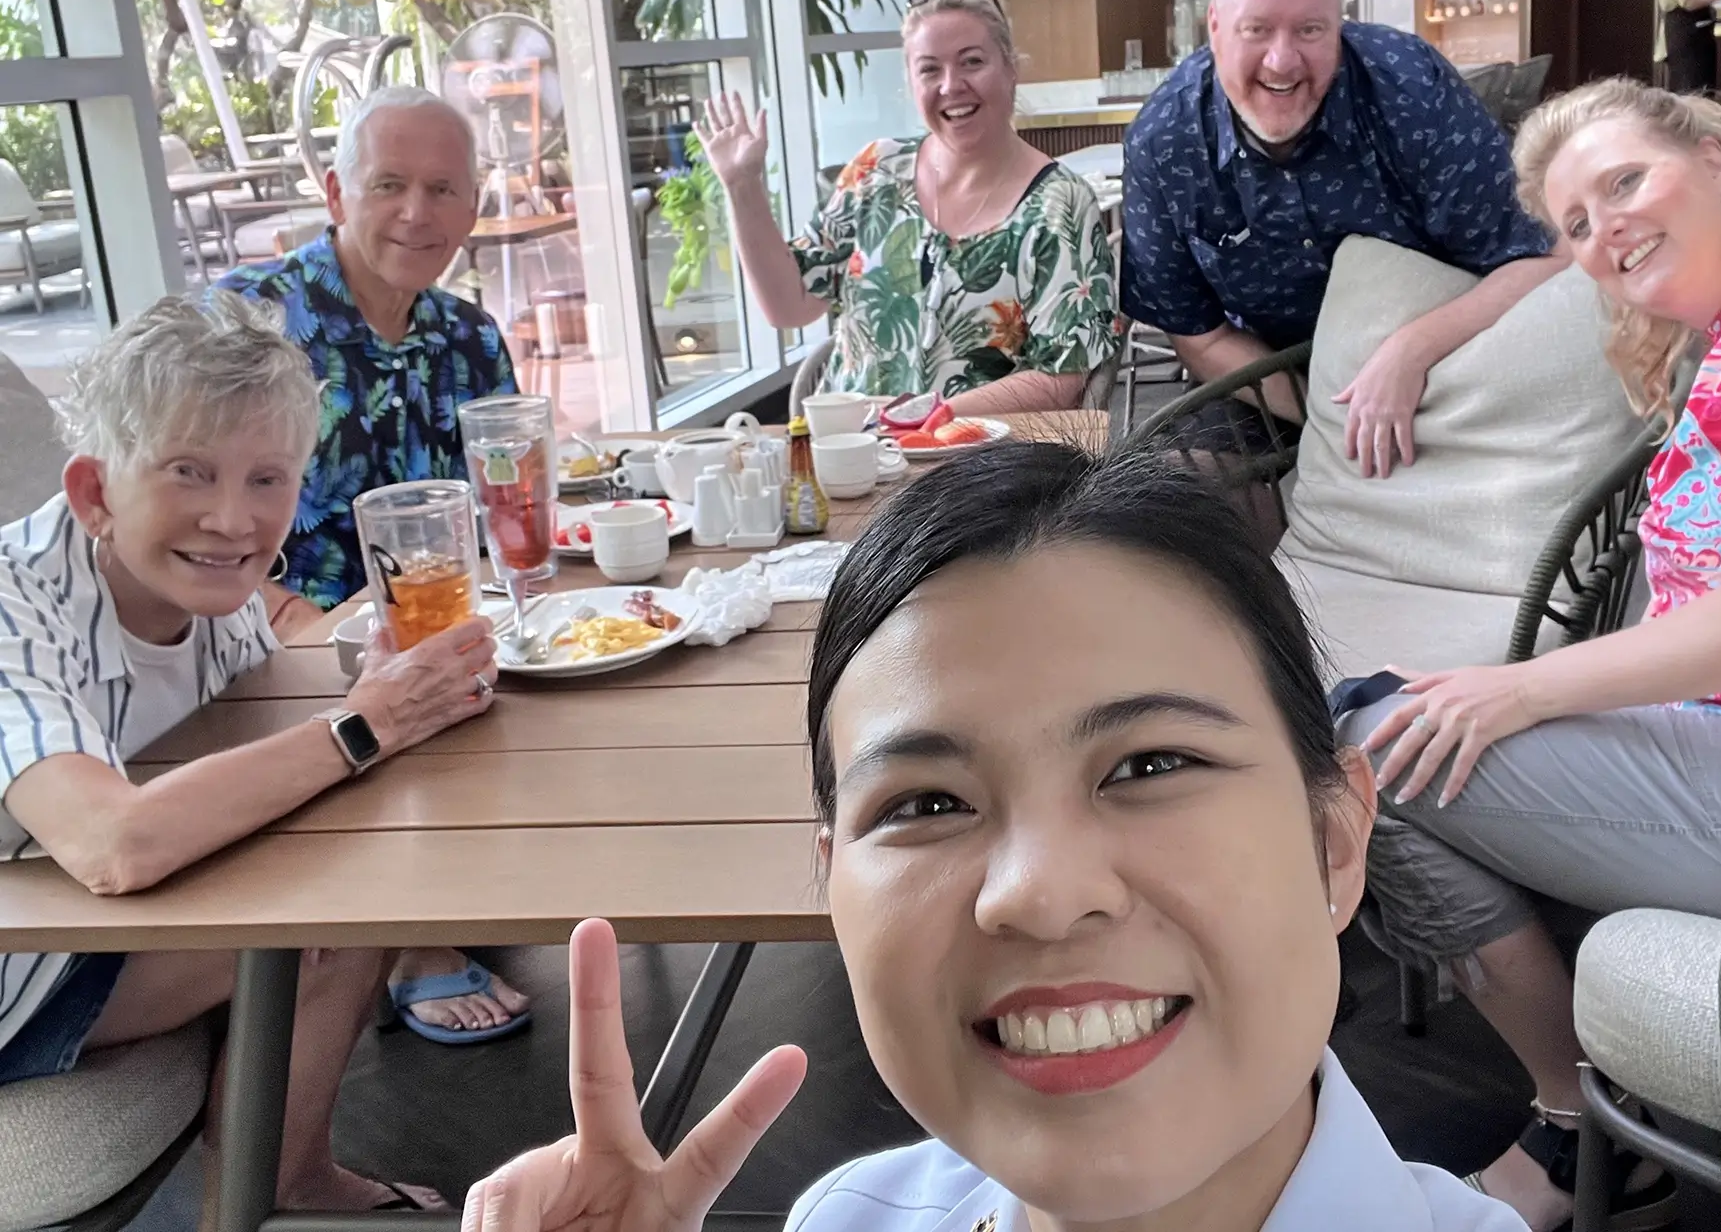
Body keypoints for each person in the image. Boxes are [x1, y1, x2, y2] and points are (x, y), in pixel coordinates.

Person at [463, 443, 1525, 1232]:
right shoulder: (847, 1218)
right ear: (835, 890)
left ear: (1334, 842)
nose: (1040, 890)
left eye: (1150, 765)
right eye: (926, 802)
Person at [1339, 78, 1721, 1232]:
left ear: (1713, 158)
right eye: (1574, 223)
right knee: (1384, 714)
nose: (1604, 231)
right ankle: (1590, 1112)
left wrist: (1517, 687)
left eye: (1624, 181)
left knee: (1375, 750)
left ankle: (1572, 1123)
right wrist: (1496, 697)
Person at [0, 294, 499, 1213]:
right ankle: (284, 1191)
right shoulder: (14, 606)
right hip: (21, 976)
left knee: (353, 852)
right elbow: (115, 846)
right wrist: (364, 724)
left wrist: (379, 685)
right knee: (342, 902)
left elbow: (266, 722)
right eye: (189, 472)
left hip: (88, 931)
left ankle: (281, 1178)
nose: (233, 519)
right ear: (94, 492)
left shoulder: (215, 597)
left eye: (266, 479)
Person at [222, 87, 531, 1045]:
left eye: (443, 189)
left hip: (434, 615)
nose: (416, 212)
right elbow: (180, 511)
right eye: (389, 184)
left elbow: (503, 489)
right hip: (275, 626)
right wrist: (284, 620)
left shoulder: (468, 336)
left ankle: (460, 887)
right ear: (334, 190)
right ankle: (414, 933)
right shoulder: (248, 319)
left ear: (472, 209)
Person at [1123, 0, 1565, 478]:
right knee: (1167, 492)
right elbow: (1200, 337)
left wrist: (1412, 350)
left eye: (1310, 30)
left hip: (1451, 361)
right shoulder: (1164, 142)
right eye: (1256, 30)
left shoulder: (1413, 92)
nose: (1282, 61)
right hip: (1274, 383)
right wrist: (1330, 419)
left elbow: (1543, 257)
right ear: (1214, 26)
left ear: (1340, 27)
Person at [695, 0, 1120, 414]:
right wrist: (742, 187)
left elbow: (1063, 377)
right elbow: (789, 305)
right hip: (853, 453)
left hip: (979, 462)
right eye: (930, 69)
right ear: (910, 81)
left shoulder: (1058, 204)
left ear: (1011, 67)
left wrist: (929, 421)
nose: (951, 85)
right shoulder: (876, 171)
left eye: (972, 62)